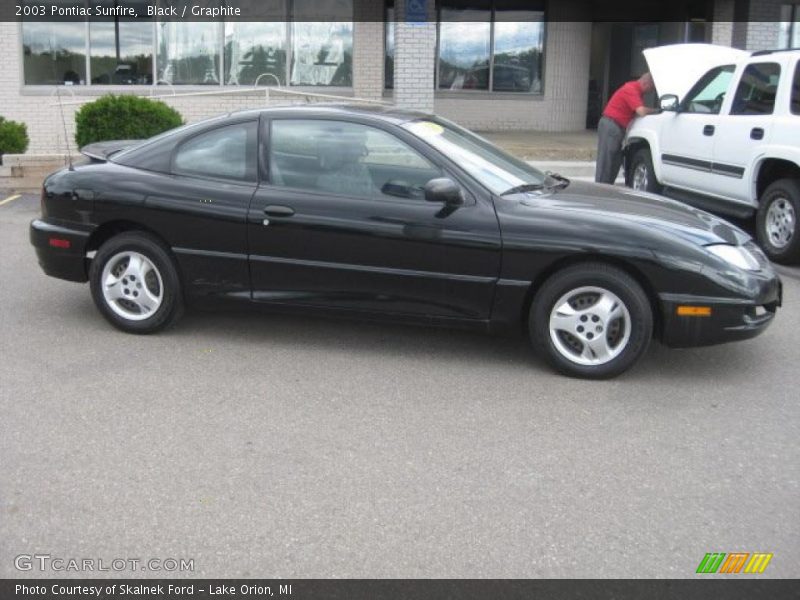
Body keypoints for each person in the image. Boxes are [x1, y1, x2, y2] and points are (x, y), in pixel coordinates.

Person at [595, 72, 659, 184]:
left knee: (615, 160)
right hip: (611, 126)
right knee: (606, 161)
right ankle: (600, 188)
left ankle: (607, 186)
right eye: (652, 87)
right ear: (647, 83)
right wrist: (657, 111)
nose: (651, 91)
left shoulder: (636, 92)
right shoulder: (631, 89)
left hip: (615, 127)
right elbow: (641, 111)